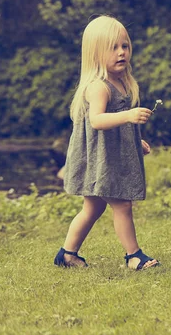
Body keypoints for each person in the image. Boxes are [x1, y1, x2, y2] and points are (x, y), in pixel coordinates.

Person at [54, 15, 159, 271]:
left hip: (107, 157)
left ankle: (67, 254)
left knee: (92, 208)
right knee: (122, 204)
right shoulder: (98, 87)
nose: (121, 52)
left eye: (124, 46)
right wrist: (129, 116)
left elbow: (115, 125)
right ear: (95, 53)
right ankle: (134, 256)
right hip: (98, 159)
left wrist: (135, 140)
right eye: (113, 47)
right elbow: (98, 121)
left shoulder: (121, 81)